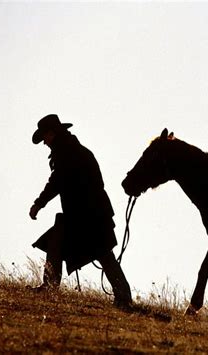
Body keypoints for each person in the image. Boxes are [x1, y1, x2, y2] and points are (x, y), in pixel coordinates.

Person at [29, 114, 132, 309]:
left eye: (45, 138)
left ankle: (124, 298)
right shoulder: (72, 149)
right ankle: (51, 285)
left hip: (88, 213)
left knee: (102, 253)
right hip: (87, 212)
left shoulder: (67, 152)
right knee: (62, 242)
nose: (44, 143)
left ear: (52, 134)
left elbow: (56, 182)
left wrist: (38, 203)